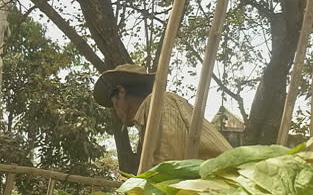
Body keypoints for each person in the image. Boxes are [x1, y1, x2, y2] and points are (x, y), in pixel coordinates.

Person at [93, 64, 232, 166]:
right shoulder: (148, 122)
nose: (115, 111)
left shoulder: (160, 103)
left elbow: (168, 166)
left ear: (121, 93)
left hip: (223, 188)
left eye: (113, 104)